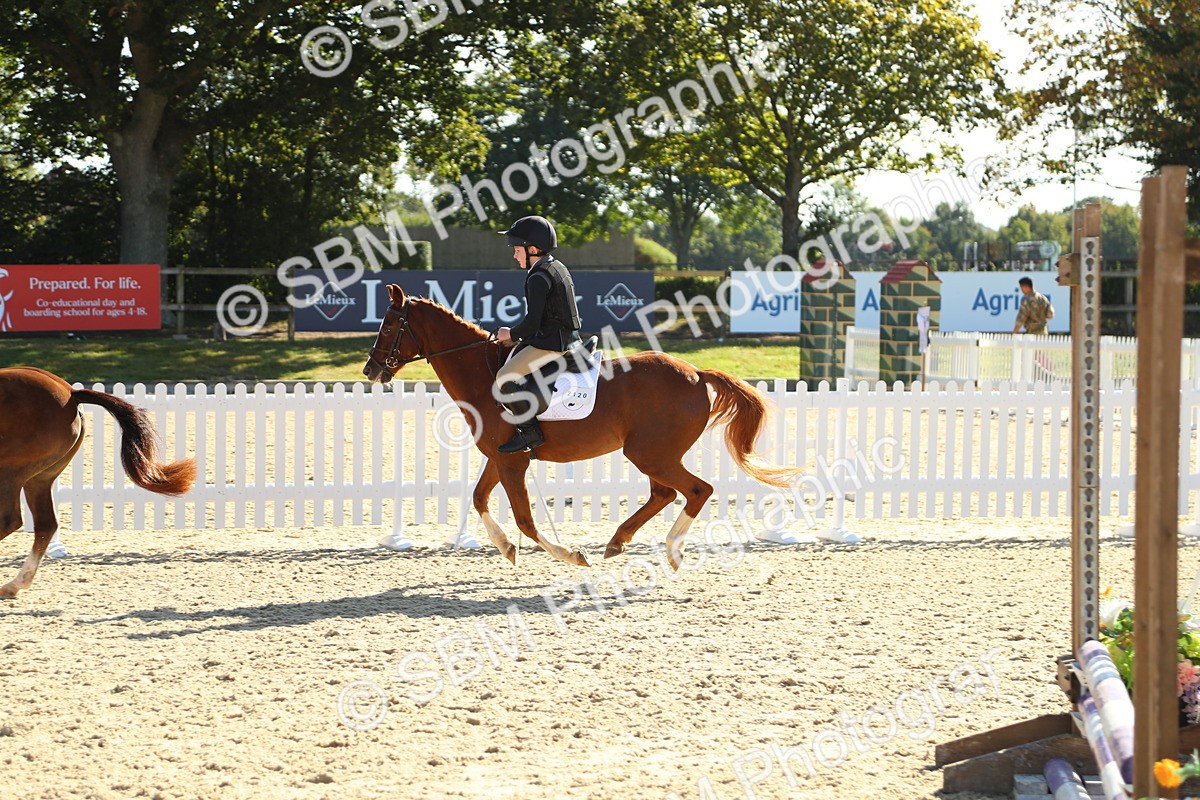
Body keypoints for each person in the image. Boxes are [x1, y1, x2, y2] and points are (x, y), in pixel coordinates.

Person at [492, 216, 582, 454]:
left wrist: (509, 333)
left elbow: (532, 322)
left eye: (517, 250)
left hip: (553, 344)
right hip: (566, 337)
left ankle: (530, 434)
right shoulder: (555, 266)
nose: (515, 255)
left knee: (504, 379)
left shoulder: (537, 277)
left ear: (532, 249)